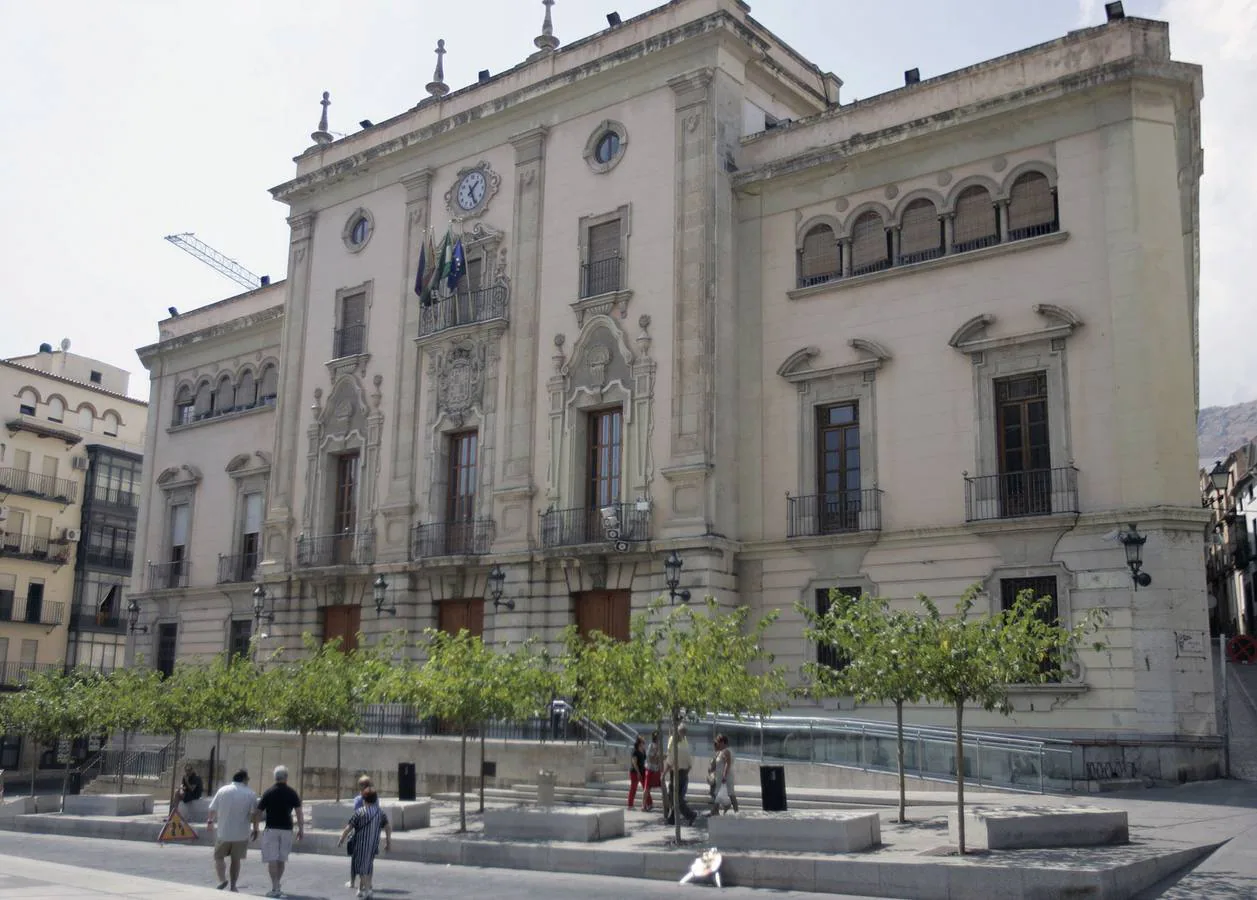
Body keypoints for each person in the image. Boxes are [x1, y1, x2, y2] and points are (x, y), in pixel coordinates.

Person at [206, 769, 258, 892]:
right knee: (236, 860)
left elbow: (212, 808)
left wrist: (210, 822)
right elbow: (255, 814)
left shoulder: (223, 790)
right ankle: (233, 886)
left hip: (223, 832)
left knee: (219, 857)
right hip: (241, 833)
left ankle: (222, 880)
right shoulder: (250, 793)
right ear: (244, 779)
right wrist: (255, 829)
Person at [256, 765, 304, 899]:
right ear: (286, 778)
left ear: (275, 777)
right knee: (281, 859)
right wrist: (301, 829)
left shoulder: (268, 792)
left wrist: (255, 828)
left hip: (271, 828)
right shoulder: (292, 792)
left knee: (272, 859)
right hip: (287, 829)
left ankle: (275, 887)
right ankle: (277, 886)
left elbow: (258, 811)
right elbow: (299, 813)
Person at [338, 787, 392, 900]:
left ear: (364, 800)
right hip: (373, 845)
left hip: (360, 845)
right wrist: (388, 842)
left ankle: (367, 890)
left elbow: (349, 827)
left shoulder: (360, 812)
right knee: (368, 866)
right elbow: (388, 827)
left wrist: (341, 839)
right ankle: (361, 890)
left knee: (361, 868)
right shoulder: (380, 813)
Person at [664, 724, 696, 826]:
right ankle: (672, 819)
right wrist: (685, 773)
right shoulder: (685, 747)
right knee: (678, 797)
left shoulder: (674, 746)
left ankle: (690, 815)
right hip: (684, 774)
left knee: (675, 798)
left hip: (676, 774)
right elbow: (690, 765)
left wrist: (663, 774)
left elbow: (669, 763)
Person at [347, 775, 373, 891]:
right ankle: (368, 883)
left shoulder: (358, 799)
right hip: (371, 833)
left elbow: (356, 816)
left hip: (359, 833)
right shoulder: (375, 799)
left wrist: (348, 832)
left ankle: (353, 882)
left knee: (355, 858)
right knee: (369, 859)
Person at [710, 734, 738, 814]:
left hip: (726, 777)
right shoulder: (723, 751)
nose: (717, 744)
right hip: (722, 777)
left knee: (731, 795)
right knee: (718, 795)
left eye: (718, 742)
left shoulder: (726, 751)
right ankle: (714, 811)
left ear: (722, 742)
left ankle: (736, 812)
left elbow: (727, 763)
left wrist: (724, 776)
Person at [643, 731, 662, 812]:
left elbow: (658, 759)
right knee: (647, 788)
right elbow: (650, 758)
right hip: (650, 769)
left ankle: (667, 805)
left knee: (662, 787)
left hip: (656, 770)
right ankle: (643, 805)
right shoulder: (651, 745)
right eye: (658, 736)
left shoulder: (659, 746)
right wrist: (657, 756)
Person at [627, 735, 647, 809]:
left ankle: (648, 803)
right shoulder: (635, 751)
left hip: (643, 771)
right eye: (642, 742)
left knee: (646, 787)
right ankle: (630, 805)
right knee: (633, 788)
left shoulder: (643, 750)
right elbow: (634, 763)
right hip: (635, 772)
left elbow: (644, 761)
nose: (644, 743)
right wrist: (638, 773)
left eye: (643, 742)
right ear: (639, 742)